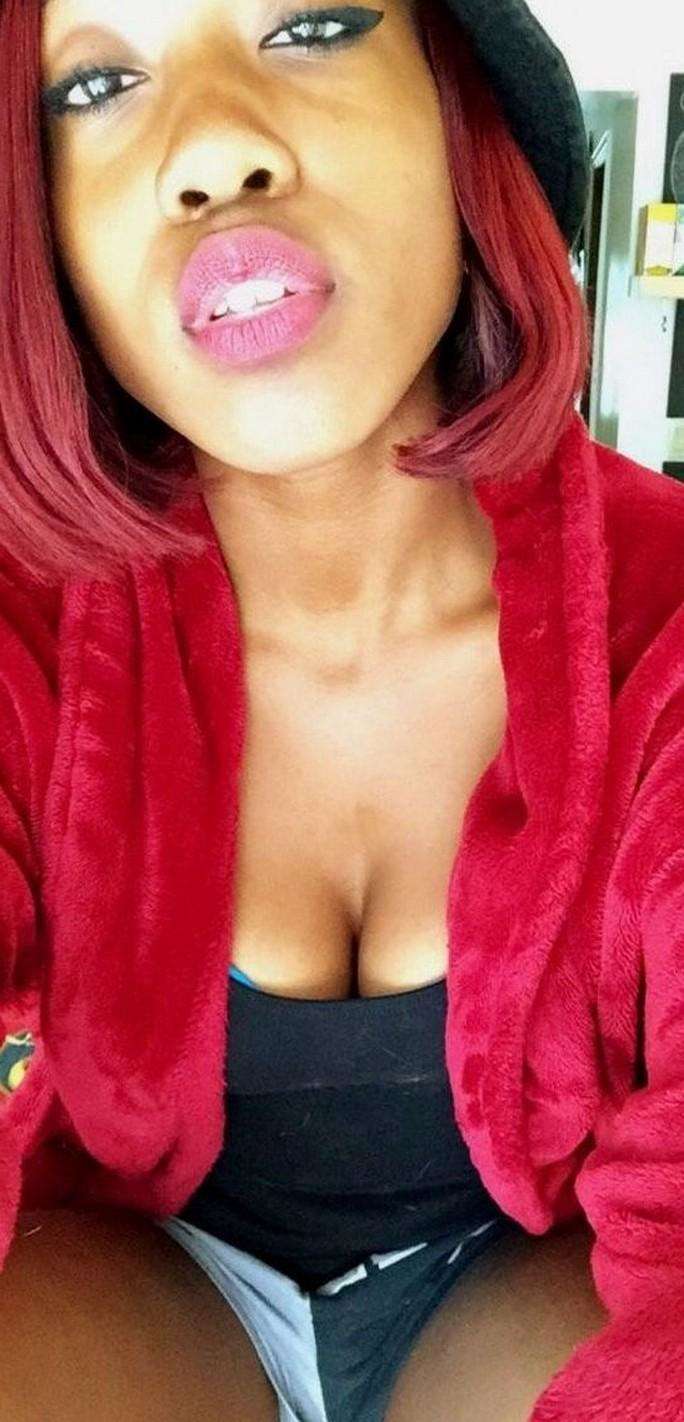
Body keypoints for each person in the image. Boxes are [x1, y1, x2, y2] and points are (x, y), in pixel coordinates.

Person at [0, 0, 683, 1418]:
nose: (213, 148)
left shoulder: (664, 618)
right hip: (138, 1281)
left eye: (311, 24)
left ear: (459, 112)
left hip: (529, 1280)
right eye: (98, 84)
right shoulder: (25, 628)